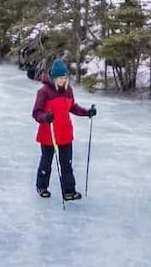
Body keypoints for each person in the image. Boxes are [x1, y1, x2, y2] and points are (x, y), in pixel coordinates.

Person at [31, 60, 96, 200]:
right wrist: (45, 117)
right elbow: (36, 113)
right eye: (60, 77)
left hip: (65, 133)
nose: (63, 80)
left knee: (67, 163)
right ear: (54, 78)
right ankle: (41, 186)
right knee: (46, 162)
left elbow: (72, 107)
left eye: (65, 77)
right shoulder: (44, 92)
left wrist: (87, 112)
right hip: (49, 133)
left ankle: (69, 191)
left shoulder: (68, 90)